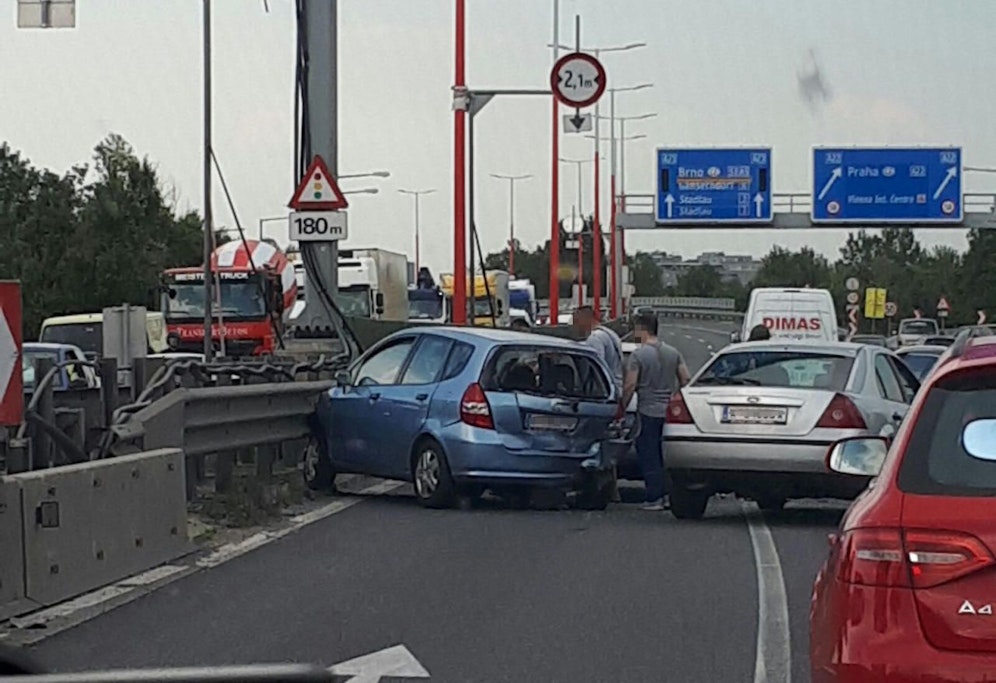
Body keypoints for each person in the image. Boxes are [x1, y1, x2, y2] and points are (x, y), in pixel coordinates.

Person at [621, 311, 691, 511]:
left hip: (647, 411)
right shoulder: (673, 352)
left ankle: (654, 497)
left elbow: (630, 385)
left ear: (642, 329)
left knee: (648, 455)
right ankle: (669, 496)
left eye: (635, 329)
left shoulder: (638, 355)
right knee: (664, 455)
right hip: (668, 412)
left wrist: (622, 407)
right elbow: (685, 378)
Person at [572, 305, 625, 501]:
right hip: (616, 391)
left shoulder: (595, 339)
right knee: (609, 442)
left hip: (603, 396)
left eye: (576, 322)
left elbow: (594, 366)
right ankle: (612, 489)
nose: (575, 327)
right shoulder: (611, 335)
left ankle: (600, 487)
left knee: (597, 440)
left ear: (586, 319)